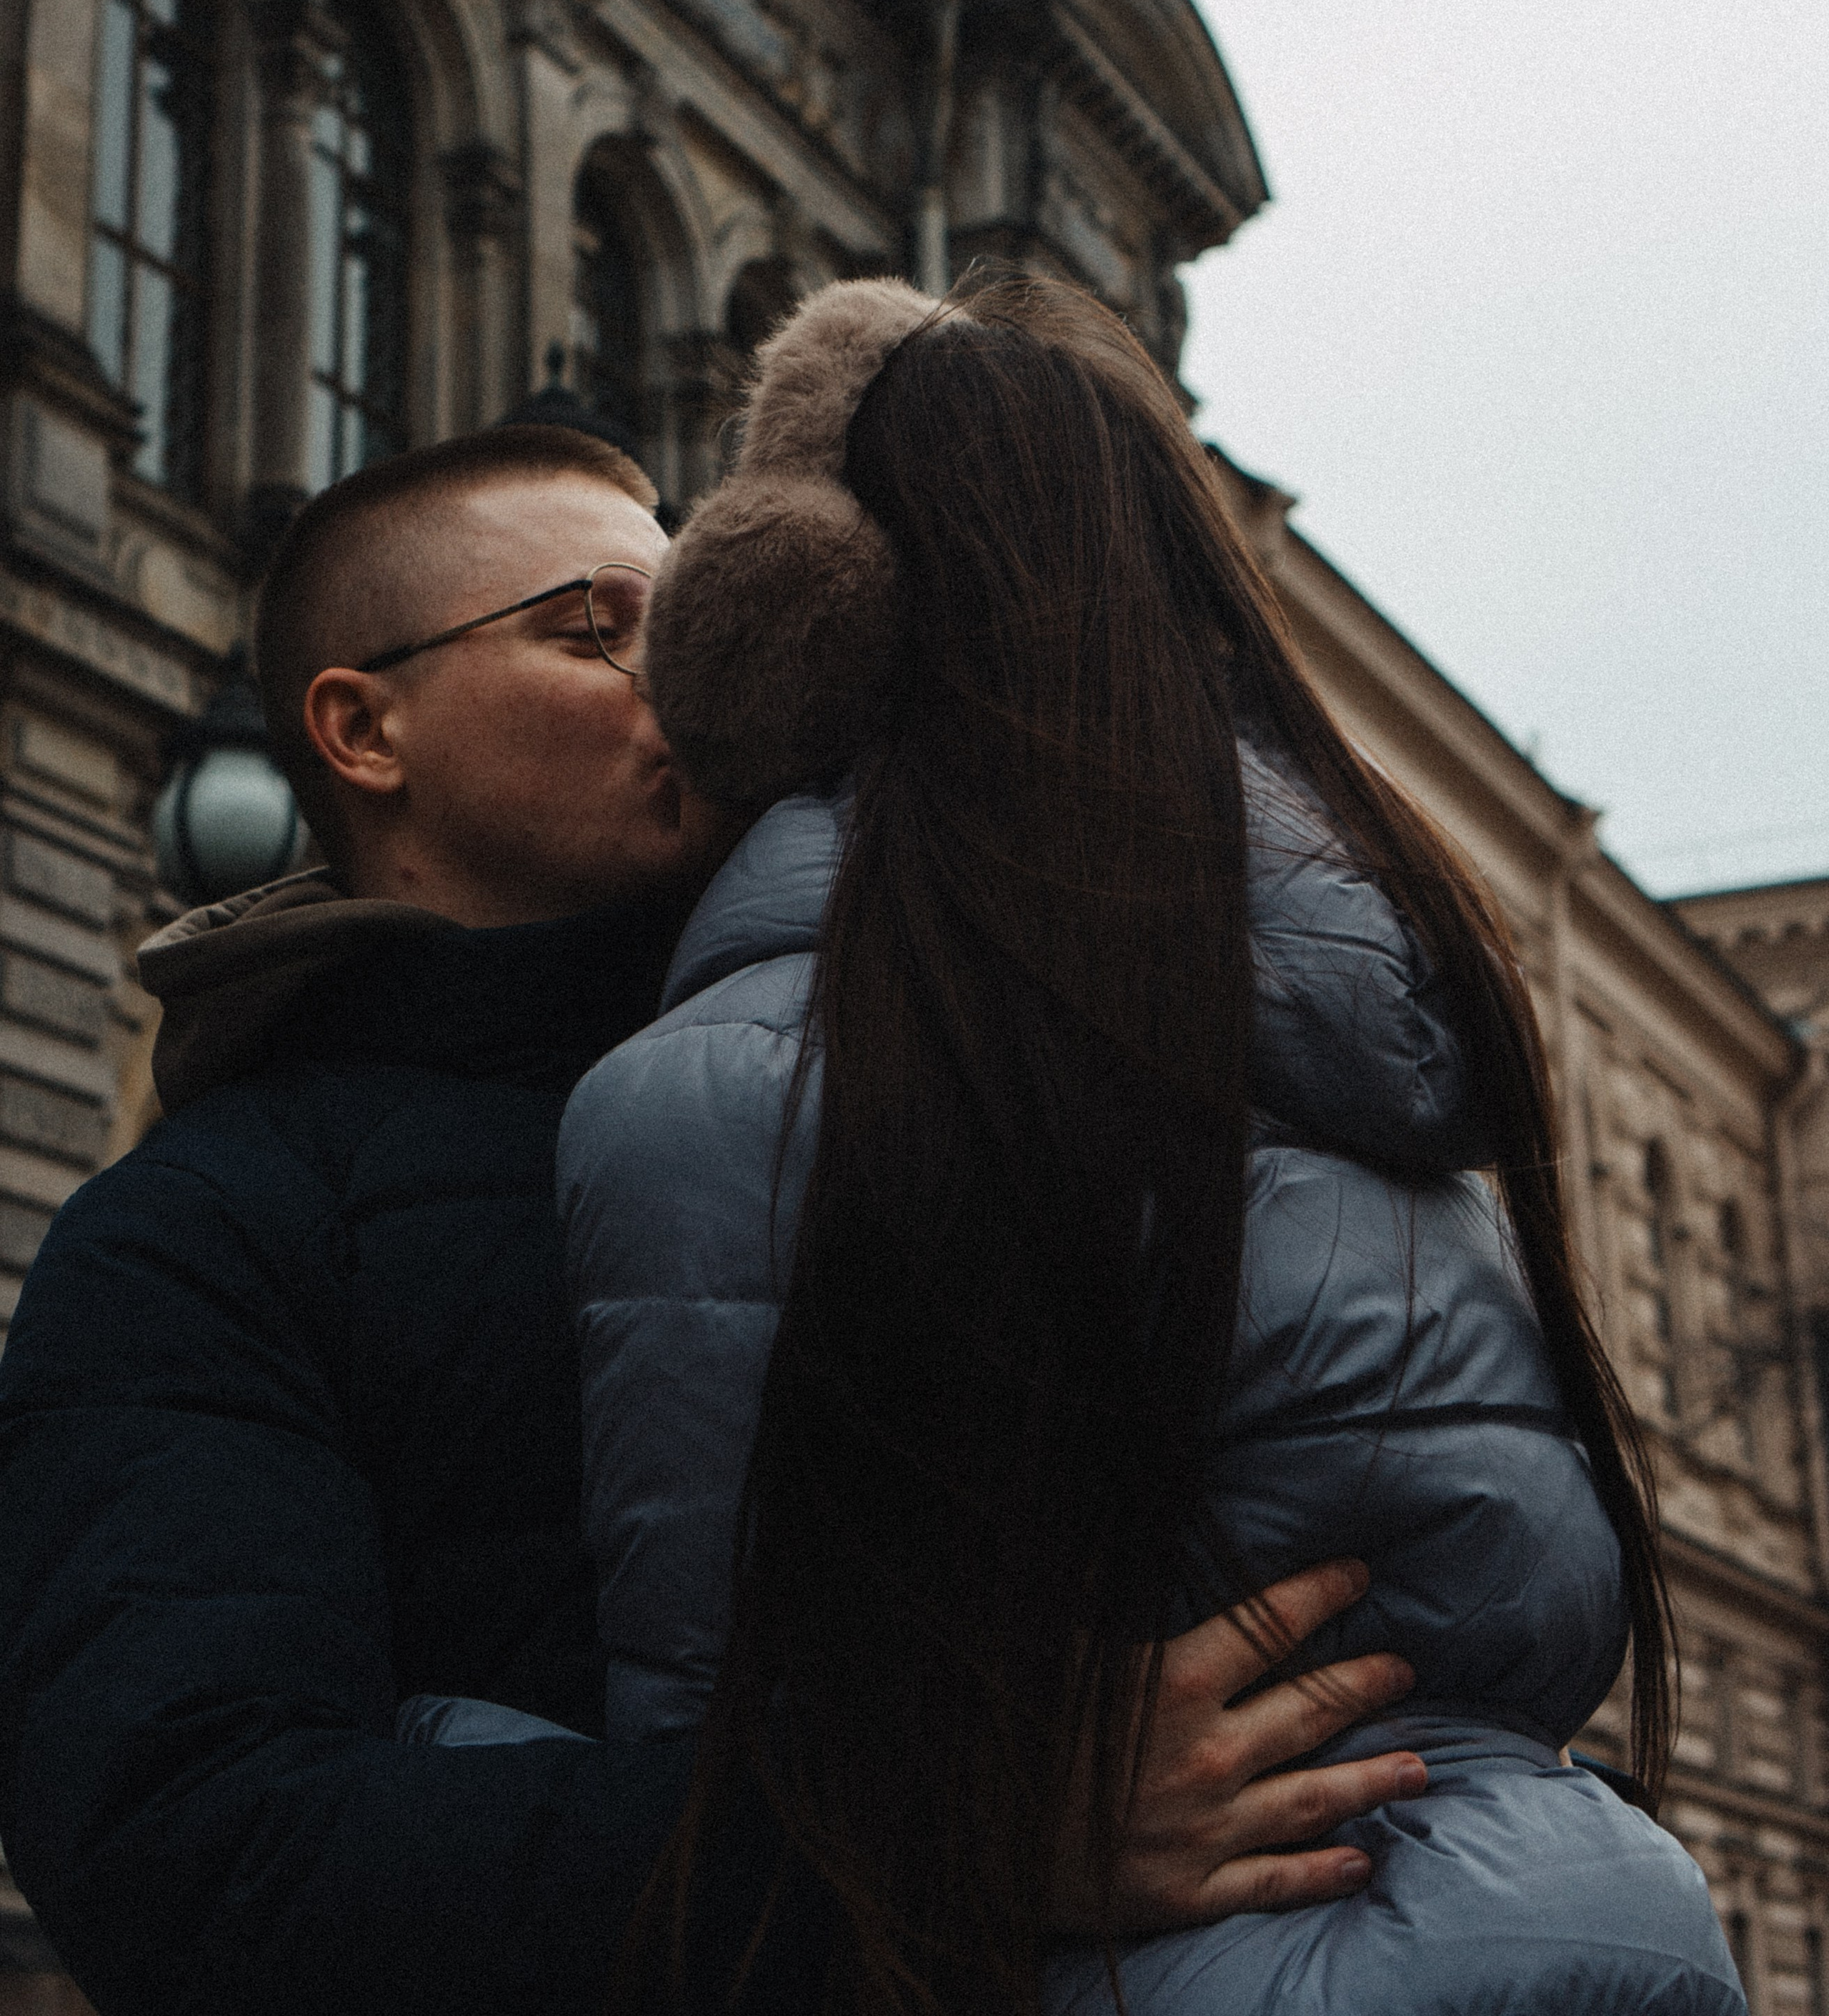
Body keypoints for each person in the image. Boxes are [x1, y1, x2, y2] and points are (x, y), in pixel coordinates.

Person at [0, 423, 1426, 2016]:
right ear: (363, 727)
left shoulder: (922, 1084)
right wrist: (948, 1841)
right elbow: (193, 1847)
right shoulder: (208, 1225)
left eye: (710, 627)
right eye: (599, 628)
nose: (701, 683)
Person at [552, 276, 1744, 2015]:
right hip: (1592, 1935)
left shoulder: (730, 1088)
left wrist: (951, 1829)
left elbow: (715, 1781)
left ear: (791, 621)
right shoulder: (1388, 1040)